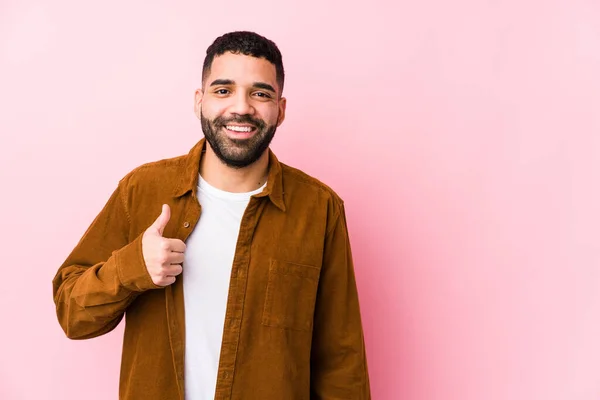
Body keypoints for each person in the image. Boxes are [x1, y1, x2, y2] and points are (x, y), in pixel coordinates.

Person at [52, 31, 371, 400]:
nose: (241, 108)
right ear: (199, 101)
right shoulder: (142, 190)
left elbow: (341, 360)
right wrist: (131, 268)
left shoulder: (319, 209)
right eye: (223, 91)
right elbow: (72, 316)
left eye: (260, 93)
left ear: (280, 109)